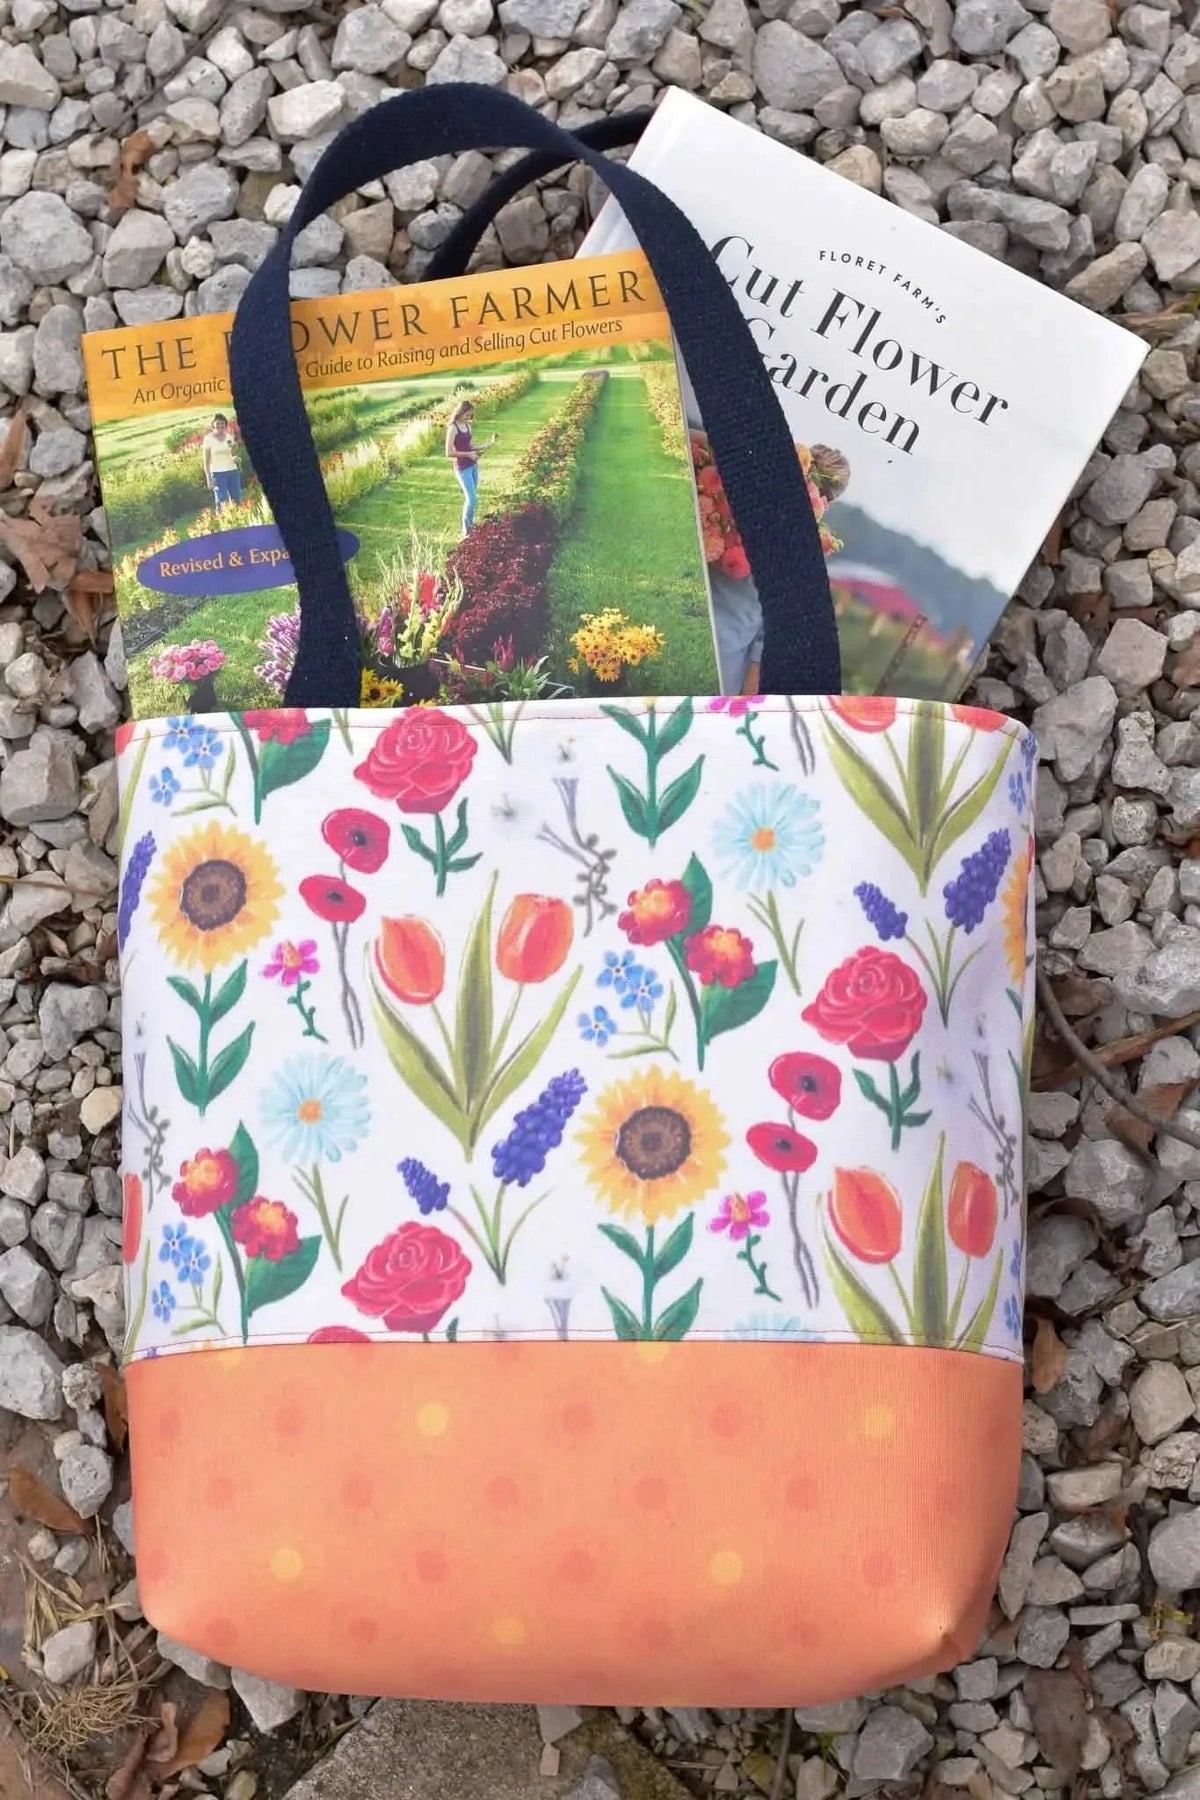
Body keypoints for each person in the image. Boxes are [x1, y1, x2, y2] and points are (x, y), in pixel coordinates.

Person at [445, 400, 497, 536]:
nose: (468, 418)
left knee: (473, 498)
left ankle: (470, 525)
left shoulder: (467, 426)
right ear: (460, 412)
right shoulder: (453, 428)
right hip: (462, 468)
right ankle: (466, 531)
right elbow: (449, 452)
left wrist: (487, 444)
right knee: (472, 499)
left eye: (470, 416)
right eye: (467, 415)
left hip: (473, 466)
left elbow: (470, 446)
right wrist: (469, 454)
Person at [202, 414, 242, 511]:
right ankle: (222, 521)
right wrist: (209, 478)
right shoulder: (208, 439)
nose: (220, 426)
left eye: (222, 423)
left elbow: (231, 451)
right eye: (218, 423)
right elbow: (206, 461)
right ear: (213, 424)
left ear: (225, 425)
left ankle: (239, 519)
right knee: (221, 499)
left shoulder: (229, 437)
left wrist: (235, 457)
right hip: (217, 473)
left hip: (232, 471)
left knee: (236, 497)